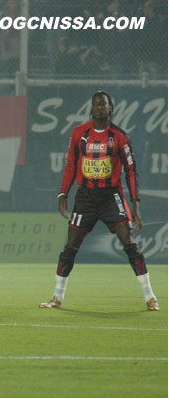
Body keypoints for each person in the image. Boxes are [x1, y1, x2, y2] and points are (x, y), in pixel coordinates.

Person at [40, 91, 159, 311]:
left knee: (129, 244)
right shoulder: (79, 134)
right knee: (70, 248)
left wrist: (135, 204)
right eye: (95, 104)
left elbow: (131, 172)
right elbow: (70, 165)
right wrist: (63, 193)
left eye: (103, 104)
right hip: (85, 197)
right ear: (91, 108)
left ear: (110, 108)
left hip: (110, 197)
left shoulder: (119, 137)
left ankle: (150, 296)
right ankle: (57, 297)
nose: (99, 107)